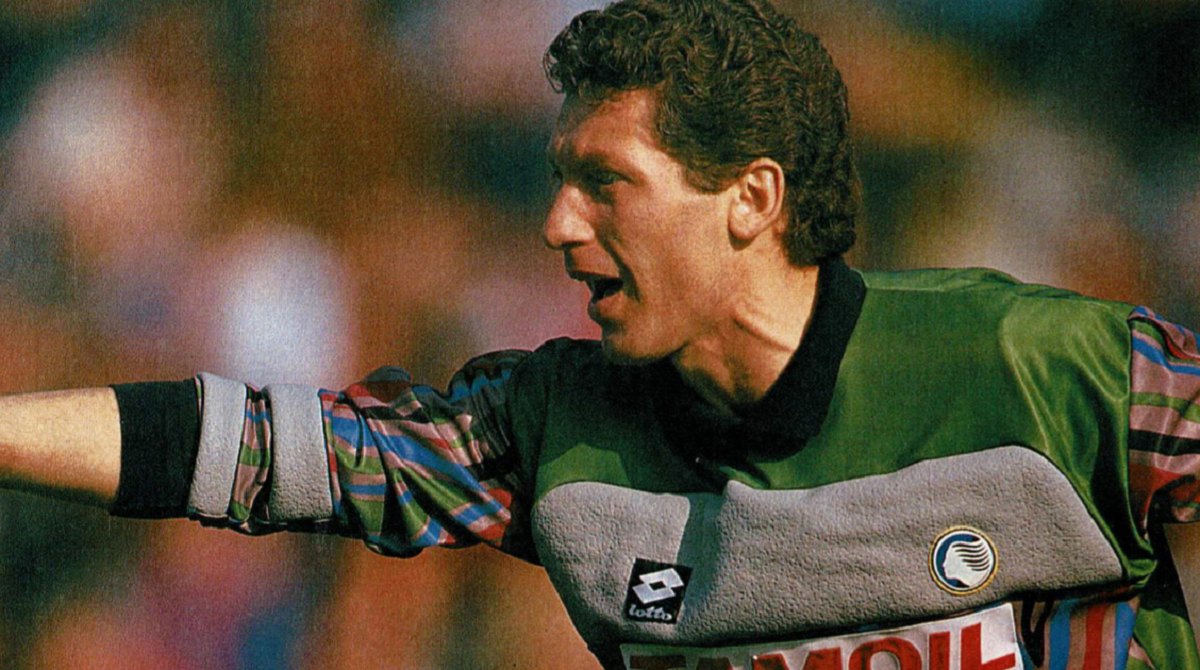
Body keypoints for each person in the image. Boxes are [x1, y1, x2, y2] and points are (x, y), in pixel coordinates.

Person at [1, 1, 1198, 668]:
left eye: (606, 182)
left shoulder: (1048, 367)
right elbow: (258, 450)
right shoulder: (549, 431)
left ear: (751, 198)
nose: (557, 224)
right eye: (558, 178)